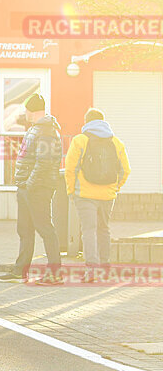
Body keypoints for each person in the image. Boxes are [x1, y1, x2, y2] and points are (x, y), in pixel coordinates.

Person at [0, 93, 63, 284]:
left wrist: (29, 184)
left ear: (32, 110)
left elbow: (44, 162)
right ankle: (21, 270)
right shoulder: (36, 129)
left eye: (26, 109)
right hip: (28, 187)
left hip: (38, 188)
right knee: (24, 229)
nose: (24, 113)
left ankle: (55, 273)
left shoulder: (47, 131)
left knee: (45, 228)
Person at [64, 108, 130, 280]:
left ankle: (91, 270)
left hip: (85, 195)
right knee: (104, 230)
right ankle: (106, 268)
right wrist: (116, 188)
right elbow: (126, 170)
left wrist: (71, 190)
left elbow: (70, 168)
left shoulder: (80, 140)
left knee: (88, 231)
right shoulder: (116, 142)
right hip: (108, 195)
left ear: (86, 122)